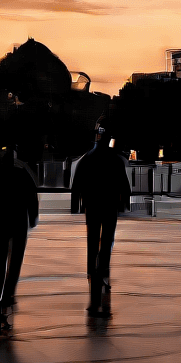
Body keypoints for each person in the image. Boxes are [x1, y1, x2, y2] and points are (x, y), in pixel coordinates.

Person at [0, 144, 39, 335]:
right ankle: (7, 301)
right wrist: (33, 218)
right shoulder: (23, 171)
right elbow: (32, 197)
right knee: (15, 265)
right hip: (19, 222)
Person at [71, 128, 131, 317]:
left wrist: (77, 206)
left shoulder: (87, 158)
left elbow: (76, 184)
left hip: (92, 206)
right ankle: (103, 269)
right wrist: (123, 204)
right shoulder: (115, 159)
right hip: (110, 206)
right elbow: (124, 185)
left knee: (92, 240)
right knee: (107, 240)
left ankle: (92, 272)